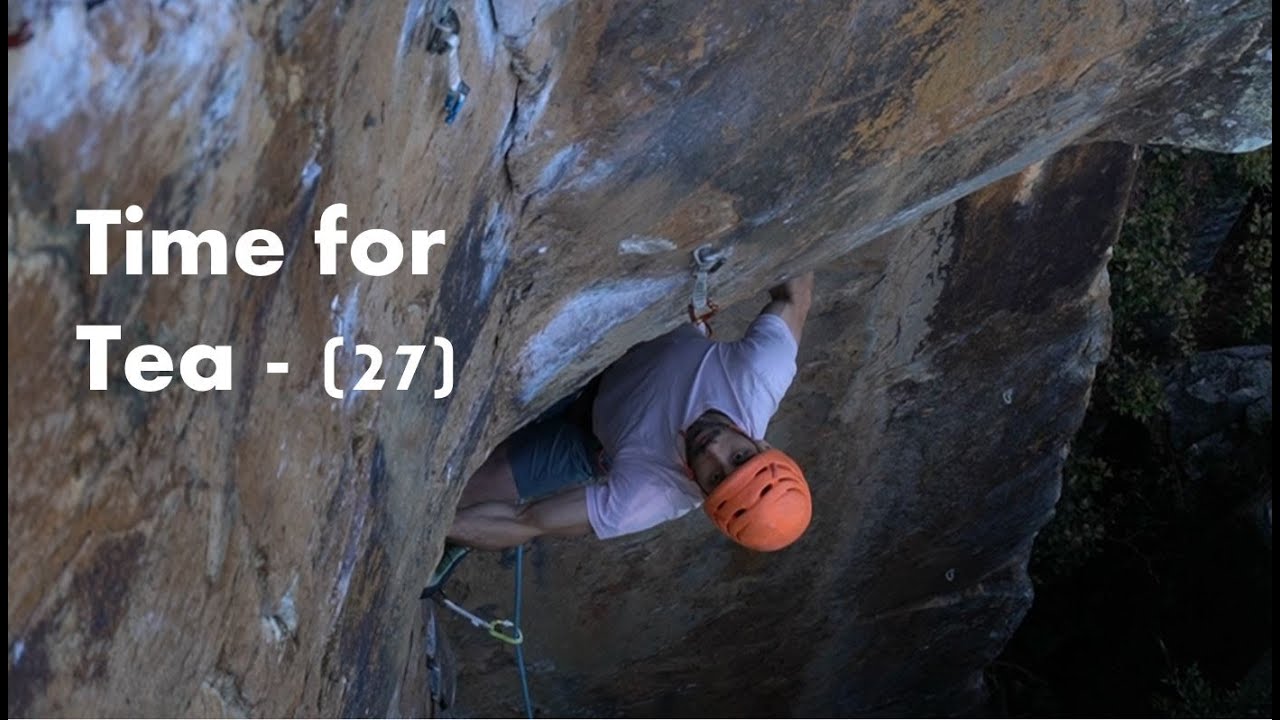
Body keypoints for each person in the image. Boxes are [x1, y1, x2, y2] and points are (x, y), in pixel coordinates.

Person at [424, 273, 815, 594]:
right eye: (740, 457)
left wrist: (427, 535)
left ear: (702, 493)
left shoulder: (650, 496)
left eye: (714, 475)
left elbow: (527, 521)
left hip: (586, 435)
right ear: (762, 444)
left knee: (464, 496)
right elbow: (796, 291)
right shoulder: (760, 376)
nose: (712, 448)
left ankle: (454, 545)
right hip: (628, 342)